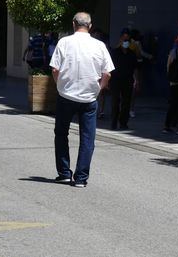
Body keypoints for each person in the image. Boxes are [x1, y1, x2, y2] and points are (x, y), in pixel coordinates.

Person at [49, 12, 114, 188]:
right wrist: (99, 89)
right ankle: (81, 177)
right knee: (87, 137)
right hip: (89, 98)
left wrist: (60, 85)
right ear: (90, 26)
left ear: (73, 24)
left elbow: (55, 70)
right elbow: (107, 73)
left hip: (66, 96)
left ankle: (63, 173)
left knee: (61, 134)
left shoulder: (64, 42)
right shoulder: (99, 45)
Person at [110, 30, 138, 130]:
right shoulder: (114, 52)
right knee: (115, 102)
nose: (126, 41)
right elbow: (109, 67)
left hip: (128, 80)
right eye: (124, 39)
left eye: (127, 40)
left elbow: (135, 68)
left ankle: (123, 123)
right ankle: (114, 122)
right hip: (115, 80)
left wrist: (136, 80)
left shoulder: (132, 54)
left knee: (126, 102)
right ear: (121, 39)